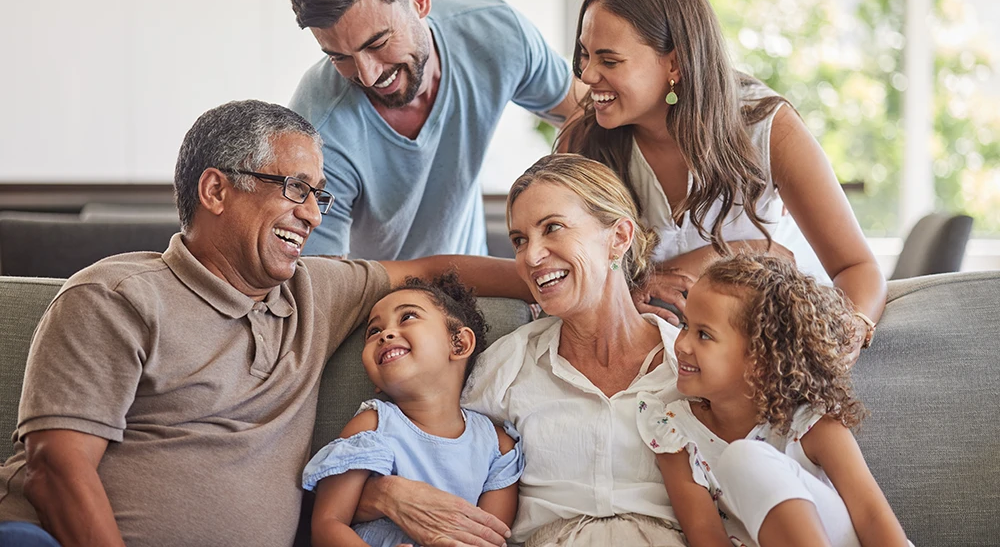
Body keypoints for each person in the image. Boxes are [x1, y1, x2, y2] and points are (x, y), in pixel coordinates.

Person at [0, 100, 529, 547]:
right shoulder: (116, 297)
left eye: (318, 195)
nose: (314, 215)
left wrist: (559, 284)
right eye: (296, 188)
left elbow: (430, 271)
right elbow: (55, 471)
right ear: (215, 190)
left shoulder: (316, 291)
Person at [350, 154, 688, 547]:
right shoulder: (507, 366)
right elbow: (433, 458)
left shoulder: (688, 364)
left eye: (553, 228)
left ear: (619, 237)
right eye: (519, 241)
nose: (530, 256)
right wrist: (383, 493)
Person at [558, 0, 885, 355]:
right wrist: (644, 282)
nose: (587, 75)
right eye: (585, 55)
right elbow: (567, 274)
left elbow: (857, 267)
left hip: (770, 344)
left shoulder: (767, 128)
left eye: (609, 61)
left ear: (675, 63)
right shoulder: (584, 140)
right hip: (660, 356)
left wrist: (850, 332)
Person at [288, 0, 584, 261]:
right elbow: (323, 278)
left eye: (378, 43)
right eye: (339, 58)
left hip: (476, 278)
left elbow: (584, 111)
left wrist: (565, 213)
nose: (368, 75)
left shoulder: (495, 33)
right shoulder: (316, 131)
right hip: (376, 290)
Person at [637, 254, 911, 547]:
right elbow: (706, 536)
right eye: (685, 325)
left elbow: (871, 516)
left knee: (743, 459)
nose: (681, 345)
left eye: (704, 335)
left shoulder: (810, 421)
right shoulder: (674, 430)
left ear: (760, 359)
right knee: (740, 460)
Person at [304, 273, 523, 547]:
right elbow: (327, 525)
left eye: (407, 317)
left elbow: (489, 536)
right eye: (373, 331)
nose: (385, 334)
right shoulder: (372, 426)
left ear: (459, 344)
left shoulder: (498, 446)